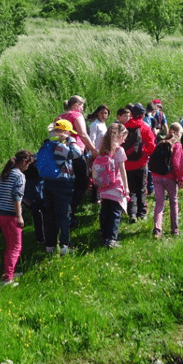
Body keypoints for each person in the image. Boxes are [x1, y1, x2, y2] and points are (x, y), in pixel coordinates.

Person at [0, 150, 35, 284]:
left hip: (0, 214)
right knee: (15, 247)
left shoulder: (5, 174)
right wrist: (19, 216)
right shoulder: (19, 176)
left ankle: (10, 272)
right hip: (11, 216)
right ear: (23, 162)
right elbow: (17, 197)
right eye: (28, 164)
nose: (28, 167)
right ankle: (7, 278)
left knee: (10, 246)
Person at [41, 119, 83, 255]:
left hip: (47, 183)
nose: (71, 135)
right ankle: (64, 246)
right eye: (69, 132)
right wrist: (71, 140)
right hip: (62, 185)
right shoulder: (60, 146)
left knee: (50, 215)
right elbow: (77, 153)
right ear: (63, 132)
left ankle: (50, 246)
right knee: (64, 215)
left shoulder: (46, 145)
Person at [56, 96, 98, 226]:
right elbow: (83, 134)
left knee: (68, 183)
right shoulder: (76, 115)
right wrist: (94, 150)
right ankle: (70, 212)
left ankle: (63, 211)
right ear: (75, 105)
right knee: (83, 182)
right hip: (76, 153)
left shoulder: (59, 117)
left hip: (61, 153)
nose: (82, 109)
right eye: (81, 106)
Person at [94, 123, 130, 248]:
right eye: (123, 137)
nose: (124, 140)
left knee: (105, 211)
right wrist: (126, 187)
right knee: (115, 213)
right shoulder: (119, 150)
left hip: (103, 186)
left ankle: (104, 235)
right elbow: (123, 170)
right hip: (116, 186)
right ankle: (111, 239)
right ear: (118, 136)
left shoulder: (103, 148)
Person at [151, 123, 183, 238]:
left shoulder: (160, 142)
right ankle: (174, 229)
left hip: (156, 176)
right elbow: (178, 164)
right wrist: (181, 179)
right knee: (173, 202)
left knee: (159, 202)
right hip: (169, 177)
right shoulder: (176, 145)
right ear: (176, 133)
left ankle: (157, 229)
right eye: (180, 133)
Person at [124, 103, 156, 223]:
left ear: (131, 114)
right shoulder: (145, 127)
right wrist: (143, 153)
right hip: (141, 163)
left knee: (130, 189)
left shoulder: (125, 126)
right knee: (141, 188)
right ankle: (142, 213)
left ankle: (132, 213)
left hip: (127, 163)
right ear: (142, 114)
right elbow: (152, 147)